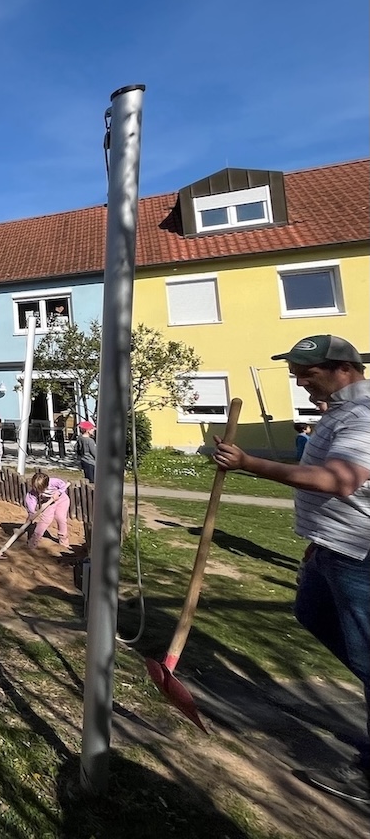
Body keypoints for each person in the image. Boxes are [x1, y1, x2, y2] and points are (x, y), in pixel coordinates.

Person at [213, 334, 370, 807]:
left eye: (309, 373)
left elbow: (338, 481)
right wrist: (318, 542)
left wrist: (249, 463)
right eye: (296, 373)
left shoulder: (363, 416)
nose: (300, 382)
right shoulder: (339, 413)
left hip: (360, 557)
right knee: (311, 613)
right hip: (334, 549)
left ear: (344, 368)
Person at [24, 469, 71, 548]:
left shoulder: (54, 482)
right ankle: (34, 540)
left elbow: (63, 485)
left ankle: (63, 541)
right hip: (48, 503)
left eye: (41, 489)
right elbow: (31, 501)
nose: (39, 491)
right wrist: (31, 512)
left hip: (62, 500)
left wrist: (58, 492)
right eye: (37, 489)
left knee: (60, 518)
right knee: (45, 519)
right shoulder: (33, 492)